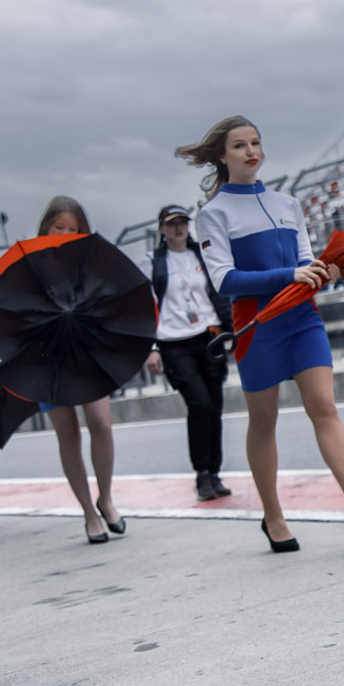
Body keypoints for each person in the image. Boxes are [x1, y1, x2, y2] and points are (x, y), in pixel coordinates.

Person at [178, 116, 344, 553]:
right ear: (222, 156)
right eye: (240, 145)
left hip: (302, 318)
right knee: (263, 421)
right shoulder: (213, 213)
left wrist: (326, 271)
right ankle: (273, 516)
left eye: (255, 143)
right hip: (256, 325)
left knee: (324, 406)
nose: (251, 151)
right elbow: (224, 280)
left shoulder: (288, 203)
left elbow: (306, 261)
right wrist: (290, 274)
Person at [36, 197, 128, 545]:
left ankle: (106, 498)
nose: (65, 234)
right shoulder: (29, 264)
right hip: (46, 358)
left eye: (73, 229)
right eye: (58, 227)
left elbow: (109, 301)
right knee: (68, 436)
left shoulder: (91, 262)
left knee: (101, 424)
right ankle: (89, 512)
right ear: (45, 228)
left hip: (87, 353)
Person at [143, 204, 234, 502]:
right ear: (161, 229)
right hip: (174, 343)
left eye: (182, 222)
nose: (178, 228)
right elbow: (146, 307)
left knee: (215, 406)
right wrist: (151, 348)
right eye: (172, 224)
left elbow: (219, 294)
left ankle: (215, 472)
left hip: (208, 337)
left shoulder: (202, 255)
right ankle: (201, 473)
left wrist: (230, 329)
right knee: (200, 404)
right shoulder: (153, 262)